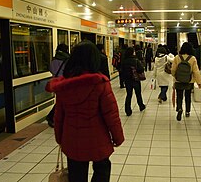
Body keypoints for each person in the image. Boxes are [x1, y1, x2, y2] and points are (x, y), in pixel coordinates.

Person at [46, 40, 124, 182]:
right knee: (102, 170)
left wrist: (59, 138)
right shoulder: (100, 83)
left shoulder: (64, 86)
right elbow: (111, 115)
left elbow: (59, 116)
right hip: (98, 139)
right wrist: (118, 137)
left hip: (72, 140)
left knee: (76, 175)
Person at [171, 42, 201, 121]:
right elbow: (196, 71)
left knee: (179, 96)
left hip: (178, 81)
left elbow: (173, 70)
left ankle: (179, 109)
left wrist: (175, 76)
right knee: (188, 97)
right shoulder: (192, 58)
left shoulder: (177, 57)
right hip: (189, 81)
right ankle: (187, 111)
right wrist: (199, 82)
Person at [46, 43, 70, 127]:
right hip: (64, 83)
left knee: (61, 100)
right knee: (63, 101)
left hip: (56, 83)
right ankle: (51, 117)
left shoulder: (54, 59)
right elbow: (68, 72)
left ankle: (56, 118)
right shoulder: (67, 59)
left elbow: (51, 70)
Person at [121, 47, 146, 116]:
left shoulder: (124, 61)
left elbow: (121, 71)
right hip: (135, 80)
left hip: (127, 80)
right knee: (138, 94)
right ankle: (141, 106)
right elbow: (141, 69)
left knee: (129, 95)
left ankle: (128, 110)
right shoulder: (135, 60)